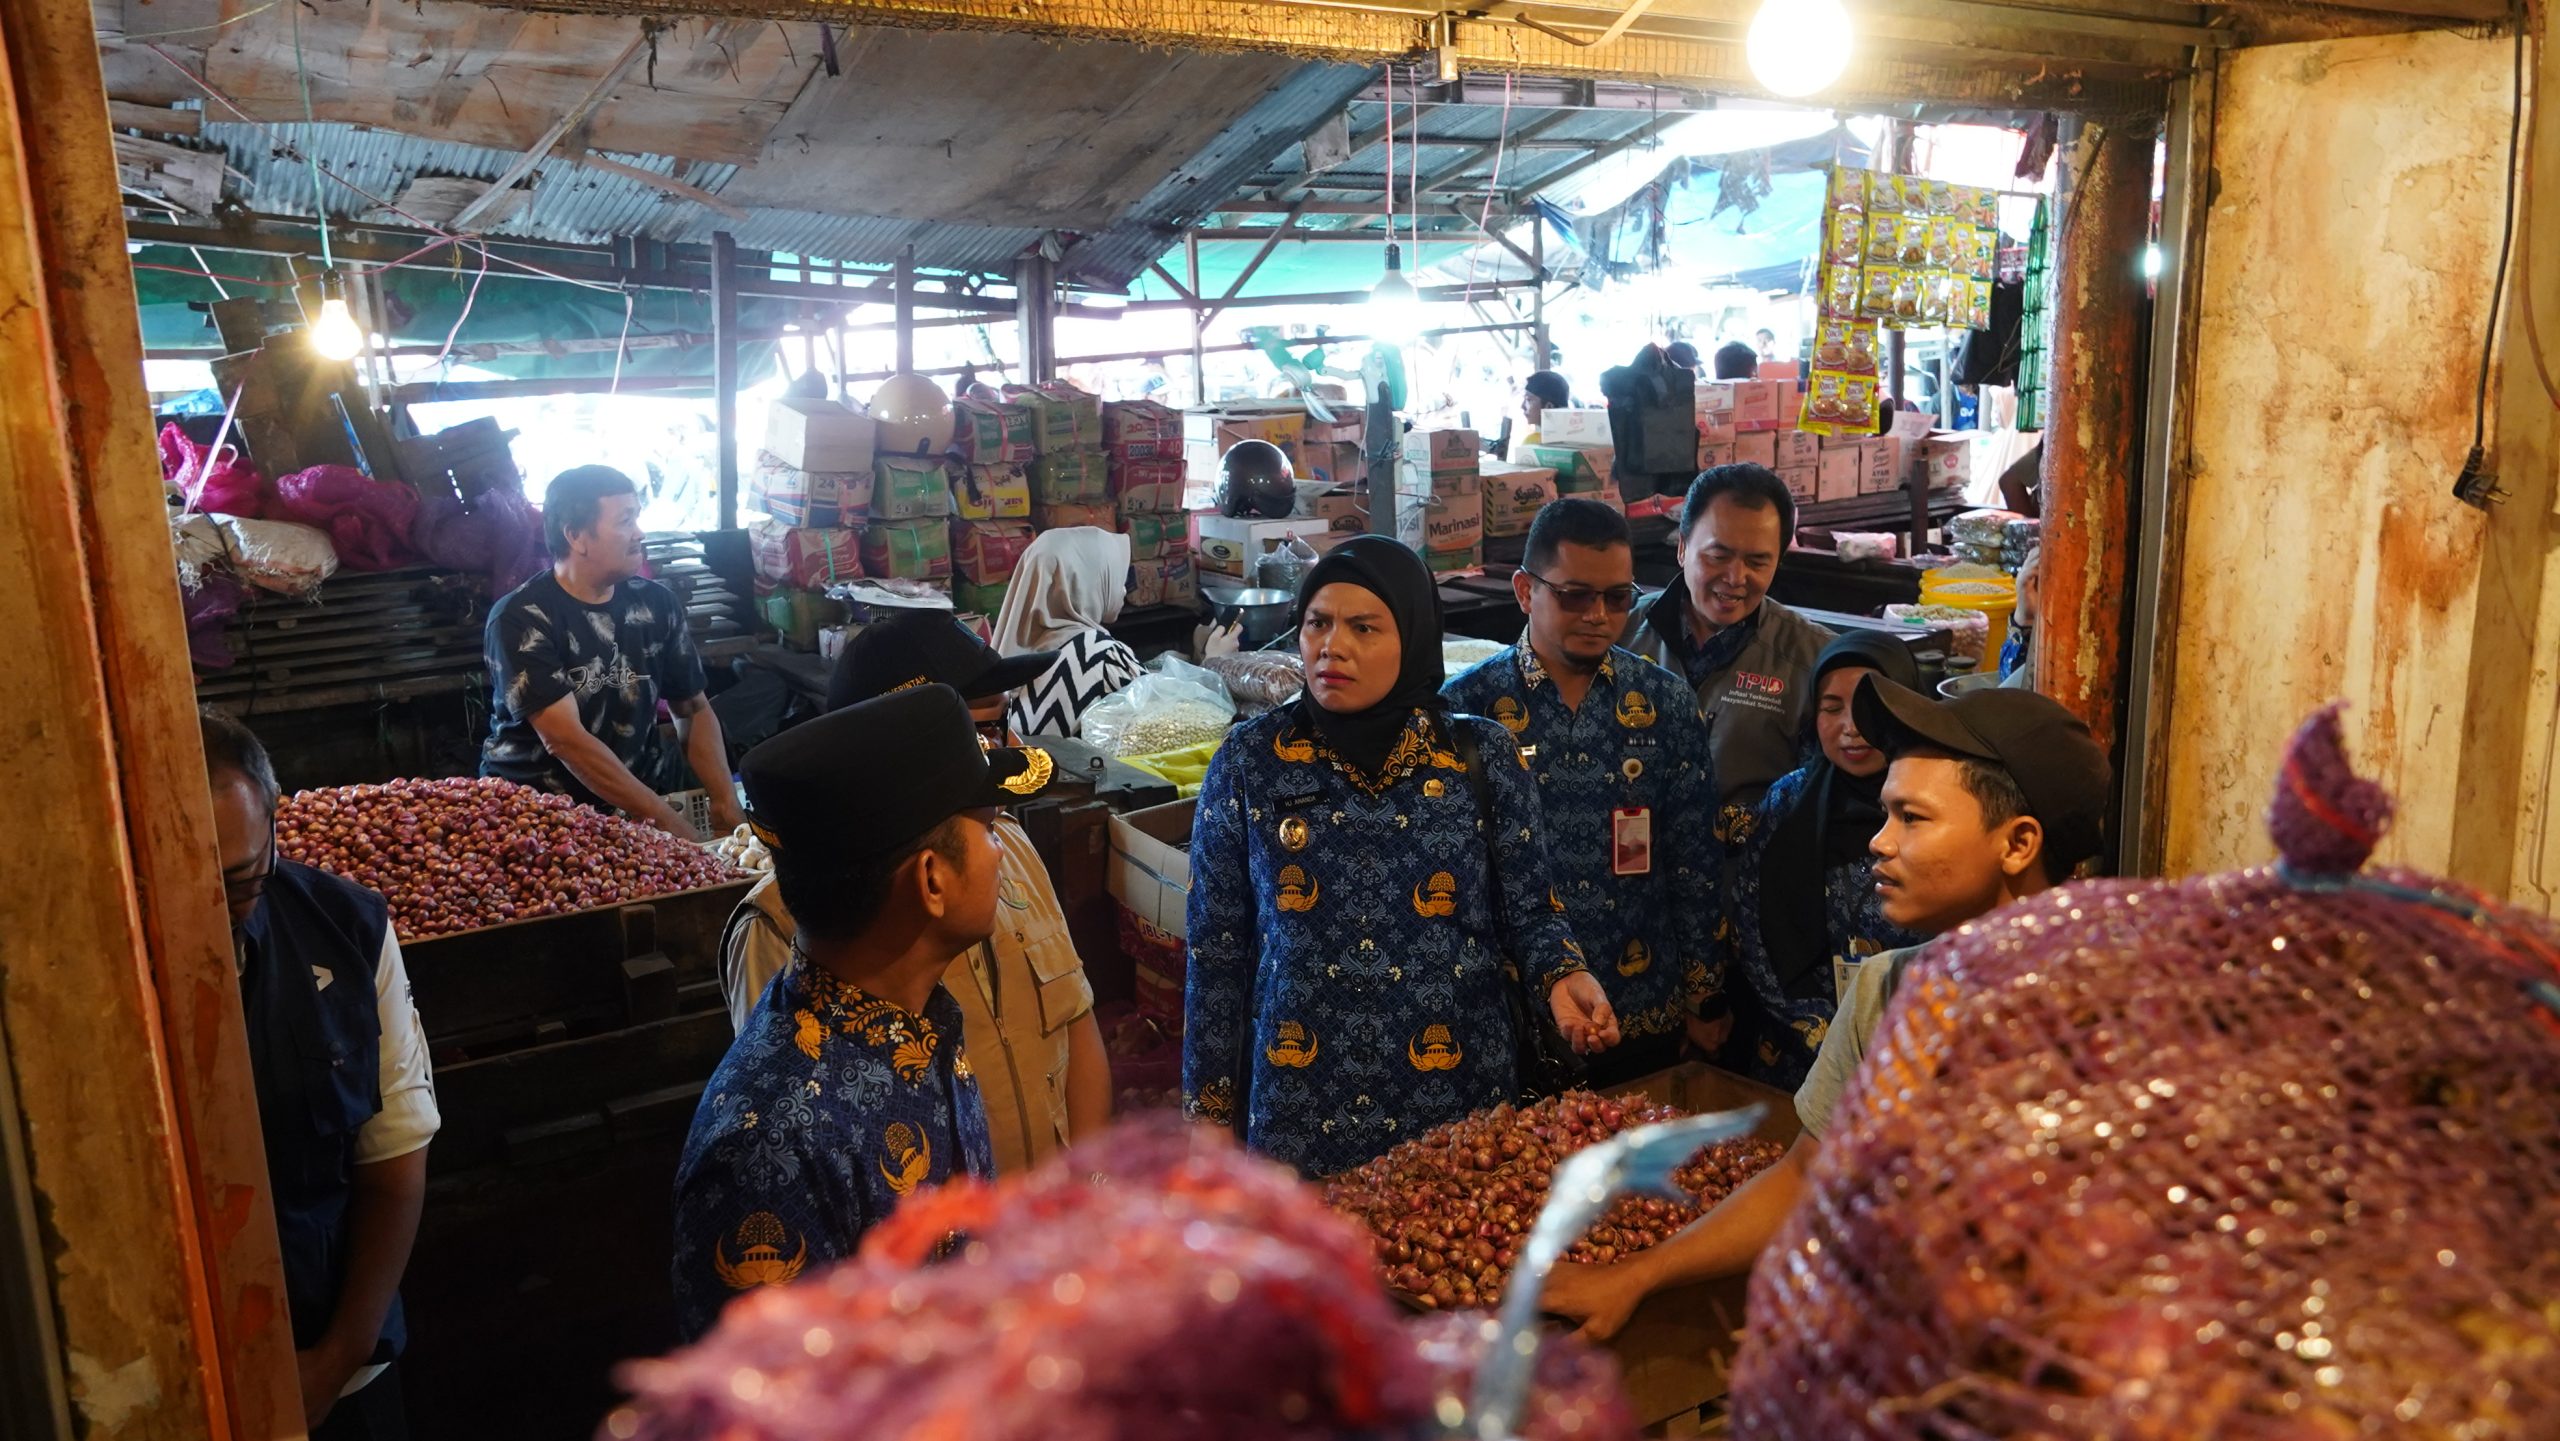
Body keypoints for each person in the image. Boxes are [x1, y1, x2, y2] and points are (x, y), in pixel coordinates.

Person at [1538, 677, 2110, 1340]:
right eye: (1886, 814)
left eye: (1913, 818)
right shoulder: (1888, 991)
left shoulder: (2117, 1013)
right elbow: (1810, 1174)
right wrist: (1639, 1272)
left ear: (2017, 843)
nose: (1879, 841)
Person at [1183, 536, 1623, 1176]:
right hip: (1300, 1108)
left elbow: (1532, 912)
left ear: (1413, 637)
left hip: (1459, 1104)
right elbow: (1216, 955)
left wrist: (1562, 975)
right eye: (1317, 623)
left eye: (1363, 628)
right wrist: (1208, 1119)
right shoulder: (1250, 763)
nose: (1332, 646)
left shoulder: (1481, 757)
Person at [672, 685, 1050, 1341]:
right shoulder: (767, 1151)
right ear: (932, 880)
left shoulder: (922, 1022)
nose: (999, 850)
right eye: (988, 828)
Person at [727, 611, 1113, 1174]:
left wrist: (1090, 1191)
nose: (1006, 747)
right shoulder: (793, 926)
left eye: (1001, 724)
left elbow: (1077, 1023)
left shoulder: (1009, 848)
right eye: (978, 733)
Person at [201, 709, 437, 1438]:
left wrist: (337, 1357)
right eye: (188, 881)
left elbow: (394, 1156)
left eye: (241, 879)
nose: (215, 911)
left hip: (333, 1356)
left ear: (276, 822)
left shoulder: (348, 928)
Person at [1443, 500, 1725, 1084]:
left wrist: (1704, 997)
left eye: (1617, 597)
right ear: (1526, 591)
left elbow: (1695, 863)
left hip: (1641, 1004)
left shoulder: (1665, 703)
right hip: (1511, 1014)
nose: (1598, 615)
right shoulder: (1466, 710)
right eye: (1575, 596)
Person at [479, 465, 741, 841]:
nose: (639, 533)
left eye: (637, 518)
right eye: (625, 521)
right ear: (576, 536)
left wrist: (724, 801)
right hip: (537, 817)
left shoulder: (656, 604)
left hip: (636, 802)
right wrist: (672, 826)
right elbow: (565, 740)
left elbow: (693, 708)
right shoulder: (522, 618)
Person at [1720, 632, 1927, 1089]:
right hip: (1796, 1056)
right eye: (1832, 708)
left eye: (1871, 706)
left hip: (1913, 1057)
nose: (1851, 727)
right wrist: (1817, 1030)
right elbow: (1751, 926)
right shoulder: (1789, 799)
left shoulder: (1934, 807)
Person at [1626, 465, 1835, 810]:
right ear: (1682, 548)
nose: (1736, 578)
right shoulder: (1619, 634)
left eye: (1757, 562)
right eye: (1718, 556)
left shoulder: (1814, 660)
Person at [992, 527, 1143, 738]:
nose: (1124, 590)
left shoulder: (1009, 653)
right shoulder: (1103, 656)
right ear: (1087, 581)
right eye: (1113, 576)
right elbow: (1157, 725)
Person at [1509, 370, 1572, 461]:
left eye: (1529, 400)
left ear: (1549, 407)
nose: (1522, 406)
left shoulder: (1533, 443)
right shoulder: (1575, 441)